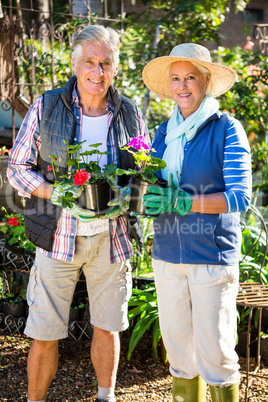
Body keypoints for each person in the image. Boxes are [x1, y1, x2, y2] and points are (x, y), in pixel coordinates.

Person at [7, 25, 149, 402]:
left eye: (105, 63)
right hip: (58, 237)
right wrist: (56, 192)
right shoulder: (47, 105)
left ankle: (106, 397)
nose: (97, 71)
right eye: (90, 61)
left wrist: (129, 195)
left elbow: (145, 173)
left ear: (115, 68)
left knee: (107, 327)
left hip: (112, 239)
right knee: (44, 331)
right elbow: (16, 167)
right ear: (74, 63)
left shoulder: (130, 113)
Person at [142, 43, 252, 401]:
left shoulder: (226, 129)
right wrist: (146, 198)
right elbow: (153, 186)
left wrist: (185, 200)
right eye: (175, 79)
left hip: (211, 257)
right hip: (167, 254)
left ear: (205, 81)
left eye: (190, 77)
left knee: (216, 354)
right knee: (179, 355)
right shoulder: (162, 133)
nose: (182, 86)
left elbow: (239, 198)